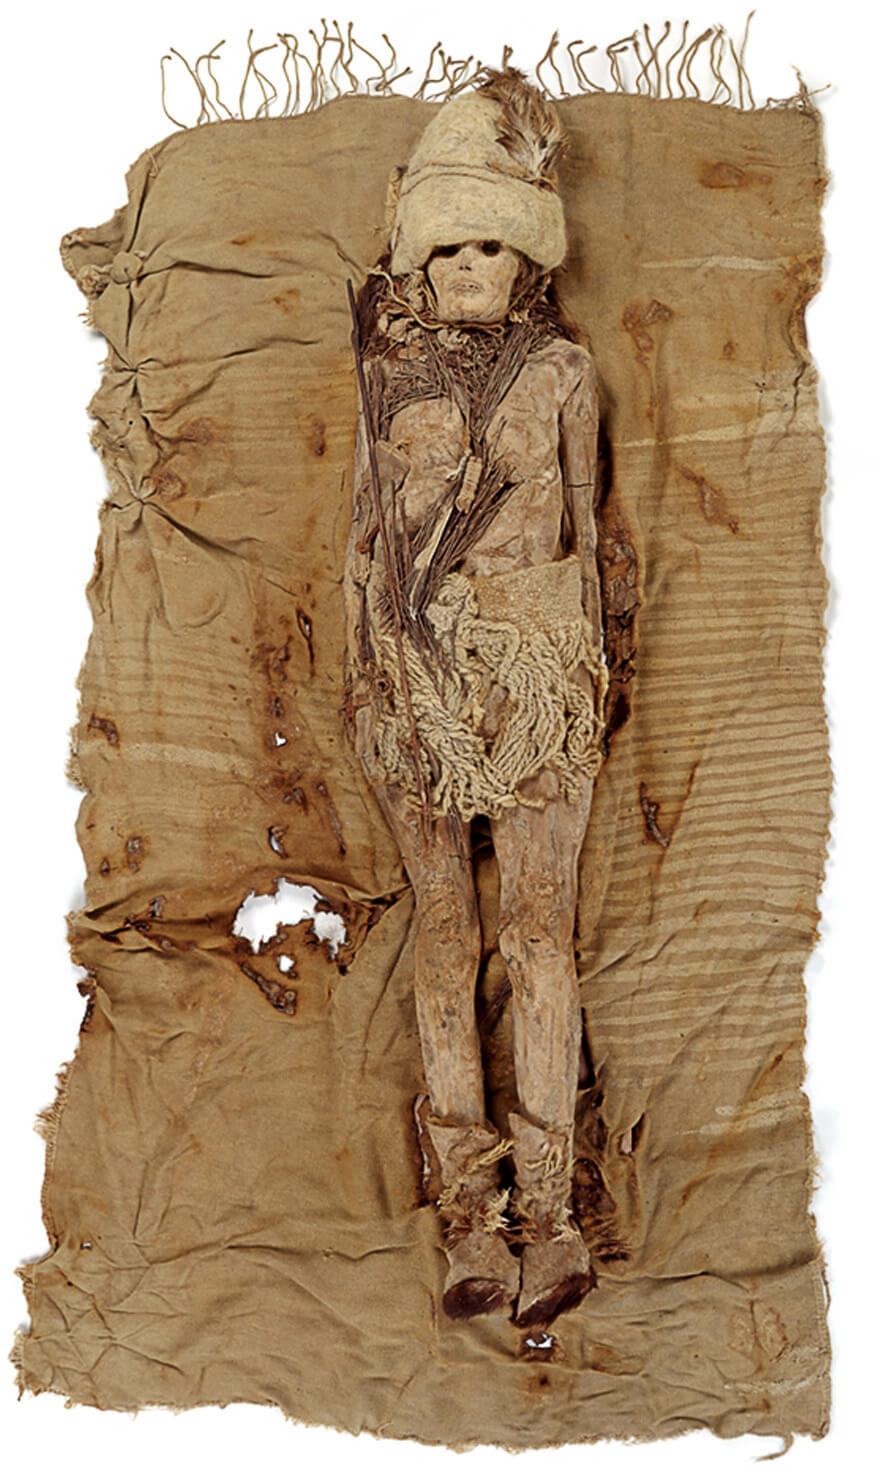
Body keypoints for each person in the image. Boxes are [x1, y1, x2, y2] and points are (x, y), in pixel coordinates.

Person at [343, 69, 606, 1329]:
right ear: (417, 252)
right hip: (416, 686)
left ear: (526, 256)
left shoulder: (561, 373)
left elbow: (588, 530)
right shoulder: (384, 377)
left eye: (489, 244)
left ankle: (550, 1217)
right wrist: (377, 675)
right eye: (446, 244)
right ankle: (467, 1220)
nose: (464, 266)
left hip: (541, 681)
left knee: (539, 936)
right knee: (445, 932)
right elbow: (363, 542)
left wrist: (582, 673)